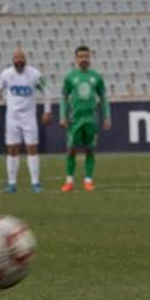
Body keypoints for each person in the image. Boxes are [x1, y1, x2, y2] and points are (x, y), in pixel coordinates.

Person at [0, 48, 50, 193]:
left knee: (32, 148)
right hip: (12, 117)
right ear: (13, 60)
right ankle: (11, 183)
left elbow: (46, 90)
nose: (19, 61)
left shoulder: (34, 74)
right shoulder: (7, 74)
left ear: (25, 59)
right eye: (16, 58)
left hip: (29, 117)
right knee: (12, 149)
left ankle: (35, 183)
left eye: (21, 58)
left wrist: (47, 110)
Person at [60, 46, 112, 191]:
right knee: (71, 150)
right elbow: (64, 98)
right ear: (76, 59)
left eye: (86, 57)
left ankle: (88, 180)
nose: (83, 59)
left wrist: (107, 116)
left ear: (90, 58)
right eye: (81, 57)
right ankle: (69, 181)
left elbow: (103, 98)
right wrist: (62, 116)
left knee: (90, 150)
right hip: (75, 119)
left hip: (91, 119)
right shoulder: (70, 77)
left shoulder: (96, 77)